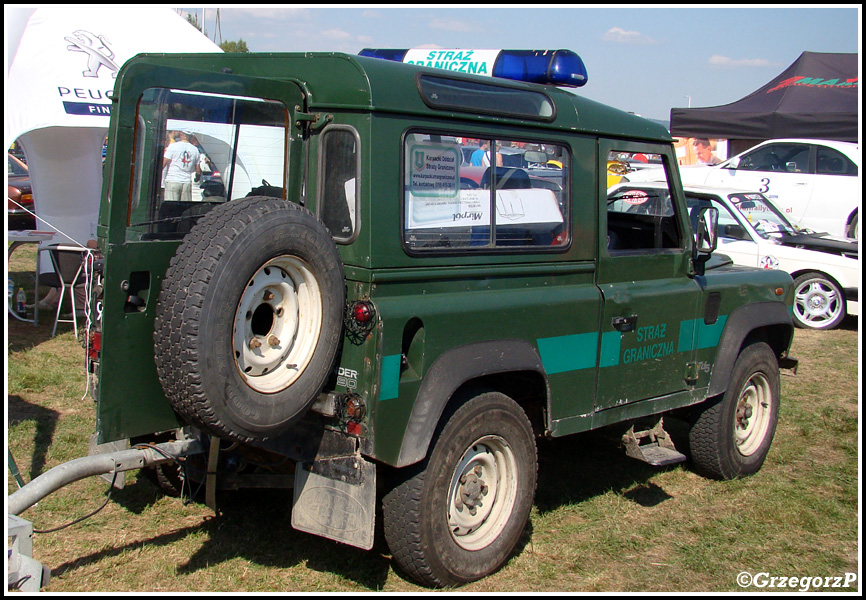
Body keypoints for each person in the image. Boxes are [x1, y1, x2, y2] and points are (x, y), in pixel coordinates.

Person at [163, 130, 201, 202]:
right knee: (184, 207)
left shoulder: (173, 146)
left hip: (173, 180)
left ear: (181, 134)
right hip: (186, 182)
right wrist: (197, 178)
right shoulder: (195, 149)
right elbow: (198, 171)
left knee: (171, 206)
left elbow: (163, 163)